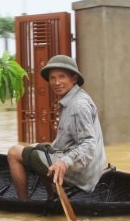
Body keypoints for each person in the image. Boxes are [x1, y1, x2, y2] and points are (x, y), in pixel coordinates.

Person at [7, 55, 107, 200]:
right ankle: (52, 195)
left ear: (74, 79)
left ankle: (23, 204)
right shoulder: (75, 98)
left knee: (13, 153)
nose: (57, 82)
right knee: (37, 147)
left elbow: (88, 144)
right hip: (88, 169)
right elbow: (64, 144)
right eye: (53, 78)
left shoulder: (78, 105)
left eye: (62, 77)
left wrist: (64, 162)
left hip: (82, 174)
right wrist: (43, 150)